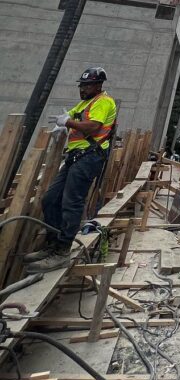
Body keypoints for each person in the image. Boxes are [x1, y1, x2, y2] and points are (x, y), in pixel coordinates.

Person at [24, 67, 117, 273]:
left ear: (98, 85)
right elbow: (75, 119)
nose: (83, 89)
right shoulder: (85, 103)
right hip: (75, 157)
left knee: (71, 202)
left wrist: (68, 122)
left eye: (87, 85)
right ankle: (53, 244)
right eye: (81, 85)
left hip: (89, 156)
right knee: (50, 199)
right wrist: (65, 124)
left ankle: (62, 251)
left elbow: (93, 127)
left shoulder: (103, 101)